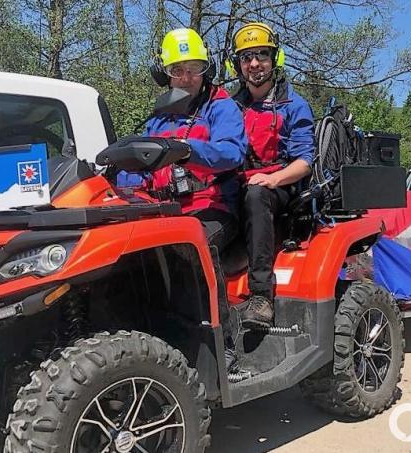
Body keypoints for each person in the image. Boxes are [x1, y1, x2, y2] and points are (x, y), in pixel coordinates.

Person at [118, 28, 247, 367]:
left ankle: (223, 343)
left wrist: (187, 151)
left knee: (195, 246)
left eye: (194, 68)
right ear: (165, 74)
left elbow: (231, 152)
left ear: (207, 69)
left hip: (213, 206)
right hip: (166, 212)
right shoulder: (158, 117)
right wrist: (126, 185)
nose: (187, 77)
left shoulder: (221, 107)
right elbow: (137, 165)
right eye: (178, 70)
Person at [227, 22, 316, 328]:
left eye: (262, 55)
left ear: (274, 59)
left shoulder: (294, 105)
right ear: (237, 64)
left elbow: (304, 162)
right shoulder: (230, 106)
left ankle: (261, 295)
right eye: (247, 57)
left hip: (279, 189)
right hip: (238, 184)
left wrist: (273, 179)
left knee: (255, 193)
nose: (254, 64)